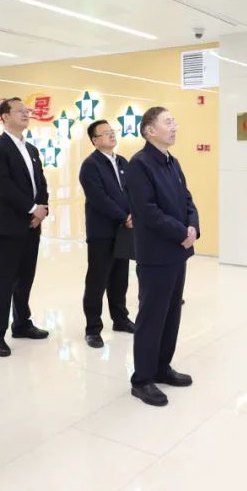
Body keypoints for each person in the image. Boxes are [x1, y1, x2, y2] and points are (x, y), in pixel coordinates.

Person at [126, 107, 199, 407]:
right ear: (149, 130)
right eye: (168, 122)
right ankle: (142, 379)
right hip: (156, 253)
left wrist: (193, 226)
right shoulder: (139, 164)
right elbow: (147, 211)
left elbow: (187, 200)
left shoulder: (172, 162)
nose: (174, 126)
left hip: (177, 251)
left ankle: (161, 367)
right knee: (152, 316)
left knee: (171, 314)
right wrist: (181, 231)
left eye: (174, 121)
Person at [0, 97, 50, 357]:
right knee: (3, 281)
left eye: (27, 110)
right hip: (8, 225)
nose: (26, 114)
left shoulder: (31, 148)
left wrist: (42, 209)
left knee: (25, 278)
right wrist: (31, 208)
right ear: (4, 116)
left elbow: (40, 182)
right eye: (20, 111)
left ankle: (22, 324)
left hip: (32, 224)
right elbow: (3, 185)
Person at [79, 120, 136, 349]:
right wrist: (124, 216)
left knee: (120, 278)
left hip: (124, 230)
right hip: (101, 231)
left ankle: (120, 319)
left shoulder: (123, 161)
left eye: (112, 132)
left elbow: (133, 190)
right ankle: (93, 328)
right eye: (105, 133)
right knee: (97, 280)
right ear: (95, 140)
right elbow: (98, 198)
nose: (111, 135)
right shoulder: (90, 165)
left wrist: (134, 214)